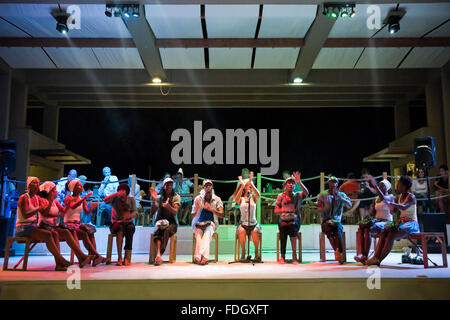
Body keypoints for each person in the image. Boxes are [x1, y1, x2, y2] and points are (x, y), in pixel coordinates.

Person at [15, 177, 71, 271]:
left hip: (32, 227)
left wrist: (50, 202)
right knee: (48, 234)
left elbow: (47, 209)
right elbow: (25, 215)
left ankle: (58, 264)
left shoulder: (37, 198)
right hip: (23, 228)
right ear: (29, 185)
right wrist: (39, 209)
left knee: (55, 233)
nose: (37, 184)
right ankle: (61, 260)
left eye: (38, 183)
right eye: (34, 183)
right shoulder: (23, 197)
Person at [366, 176, 419, 266]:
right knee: (384, 231)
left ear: (404, 186)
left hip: (411, 223)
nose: (397, 185)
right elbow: (393, 212)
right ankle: (375, 257)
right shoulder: (399, 197)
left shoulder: (411, 197)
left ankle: (379, 259)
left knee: (392, 234)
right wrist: (391, 208)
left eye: (399, 184)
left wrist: (392, 204)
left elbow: (404, 207)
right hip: (401, 222)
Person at [37, 181, 92, 268]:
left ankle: (81, 256)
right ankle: (75, 258)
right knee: (63, 233)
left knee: (67, 232)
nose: (57, 192)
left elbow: (64, 211)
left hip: (53, 226)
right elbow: (45, 213)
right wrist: (51, 202)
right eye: (54, 190)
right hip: (44, 226)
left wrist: (69, 204)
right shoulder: (42, 200)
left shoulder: (56, 202)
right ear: (49, 191)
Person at [64, 179, 108, 266]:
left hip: (77, 224)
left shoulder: (82, 199)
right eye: (79, 185)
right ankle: (95, 256)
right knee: (84, 233)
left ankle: (94, 258)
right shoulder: (68, 198)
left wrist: (92, 208)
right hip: (68, 224)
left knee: (91, 232)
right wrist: (85, 197)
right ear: (74, 188)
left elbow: (87, 212)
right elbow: (73, 206)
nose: (82, 187)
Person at [354, 176, 394, 264]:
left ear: (387, 188)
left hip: (386, 222)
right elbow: (373, 213)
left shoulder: (390, 197)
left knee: (368, 228)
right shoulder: (376, 199)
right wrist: (368, 216)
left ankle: (364, 255)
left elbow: (383, 198)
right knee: (362, 227)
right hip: (378, 221)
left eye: (381, 186)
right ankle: (361, 254)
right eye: (379, 186)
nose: (379, 187)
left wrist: (374, 185)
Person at [274, 171, 309, 264]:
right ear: (285, 185)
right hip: (284, 219)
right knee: (283, 225)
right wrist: (284, 211)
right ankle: (282, 256)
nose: (291, 185)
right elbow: (276, 210)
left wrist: (299, 182)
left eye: (293, 183)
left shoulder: (297, 195)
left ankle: (294, 256)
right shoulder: (280, 196)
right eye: (289, 183)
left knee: (292, 225)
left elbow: (306, 192)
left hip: (295, 220)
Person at [317, 176, 352, 264]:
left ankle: (337, 252)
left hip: (337, 221)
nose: (332, 184)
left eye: (334, 182)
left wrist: (340, 198)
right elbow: (319, 209)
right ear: (328, 183)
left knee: (338, 230)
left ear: (337, 184)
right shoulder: (323, 194)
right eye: (331, 182)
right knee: (328, 229)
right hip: (326, 220)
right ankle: (338, 252)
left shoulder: (342, 194)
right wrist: (325, 207)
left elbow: (349, 205)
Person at [191, 180, 224, 265]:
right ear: (203, 188)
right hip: (198, 223)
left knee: (207, 232)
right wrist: (197, 209)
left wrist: (211, 209)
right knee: (198, 234)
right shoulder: (198, 199)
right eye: (206, 185)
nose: (208, 187)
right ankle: (205, 257)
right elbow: (192, 215)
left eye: (210, 185)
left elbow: (222, 214)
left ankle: (199, 254)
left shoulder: (217, 199)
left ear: (212, 187)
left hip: (211, 223)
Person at [104, 183, 137, 266]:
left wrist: (128, 215)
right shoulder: (115, 198)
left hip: (127, 222)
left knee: (130, 228)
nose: (121, 196)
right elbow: (105, 200)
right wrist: (116, 194)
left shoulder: (131, 199)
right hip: (116, 223)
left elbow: (135, 213)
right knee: (120, 228)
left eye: (123, 194)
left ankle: (126, 257)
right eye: (120, 193)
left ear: (127, 194)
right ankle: (119, 257)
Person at [150, 177, 180, 265]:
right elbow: (153, 212)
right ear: (164, 186)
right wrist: (154, 200)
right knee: (158, 233)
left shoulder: (176, 197)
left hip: (172, 223)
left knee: (166, 230)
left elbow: (175, 212)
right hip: (160, 221)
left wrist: (168, 206)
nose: (169, 186)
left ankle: (160, 255)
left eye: (171, 185)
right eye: (167, 185)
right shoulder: (159, 197)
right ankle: (158, 255)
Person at [234, 171, 262, 262]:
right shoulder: (241, 199)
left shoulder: (253, 198)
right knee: (241, 231)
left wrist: (252, 182)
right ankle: (243, 252)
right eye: (248, 186)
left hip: (253, 223)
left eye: (250, 186)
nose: (249, 187)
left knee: (254, 232)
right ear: (245, 187)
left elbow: (258, 194)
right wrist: (242, 184)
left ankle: (256, 253)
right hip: (243, 223)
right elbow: (236, 198)